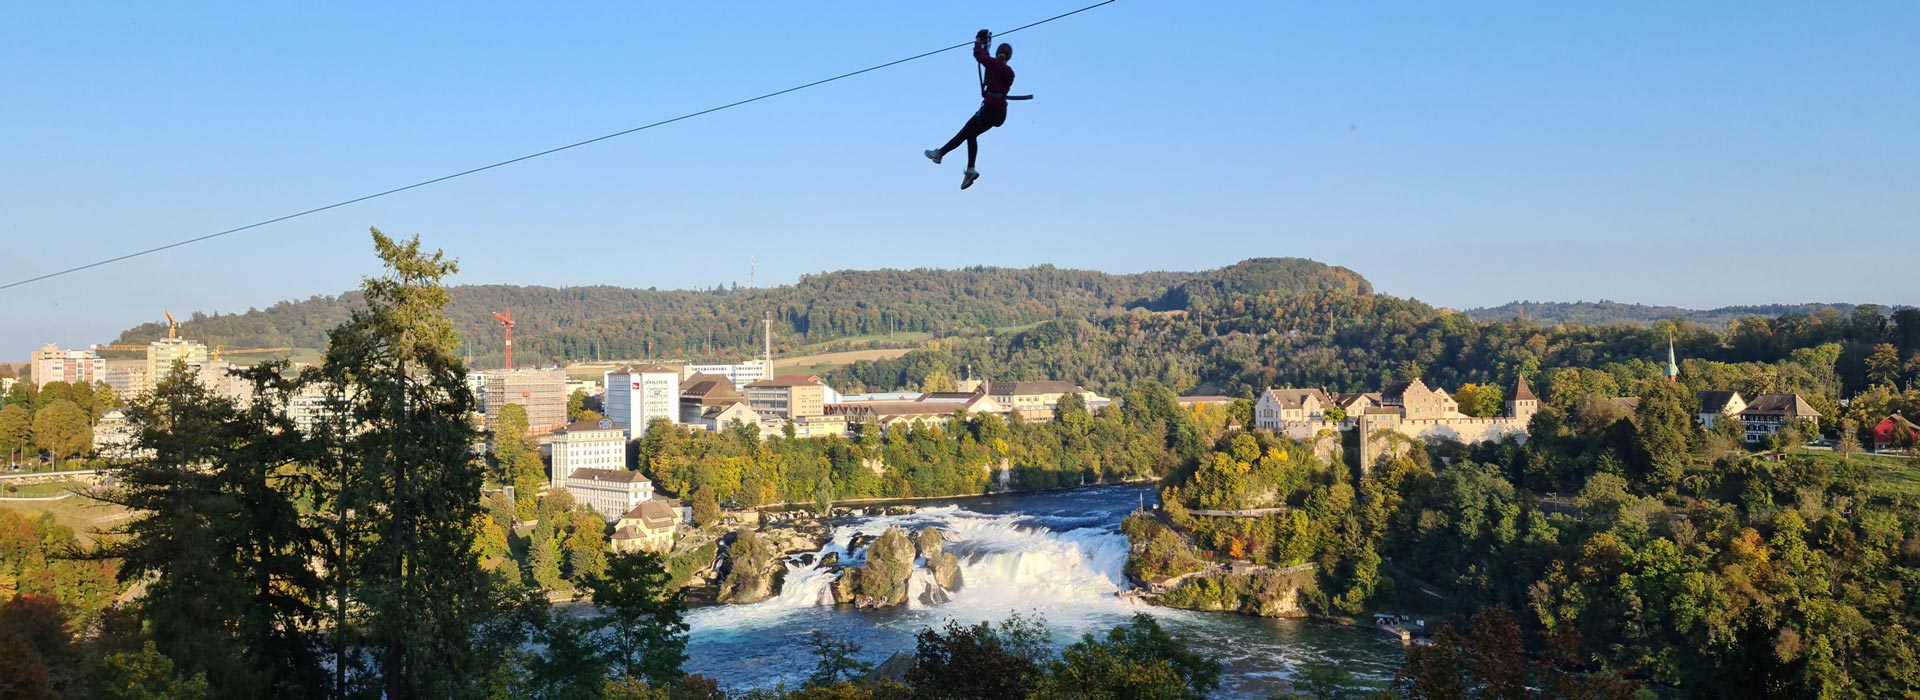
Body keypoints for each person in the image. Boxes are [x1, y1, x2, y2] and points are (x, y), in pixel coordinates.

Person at [925, 30, 1015, 190]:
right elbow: (990, 64)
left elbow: (979, 55)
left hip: (989, 109)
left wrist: (978, 41)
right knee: (971, 134)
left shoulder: (993, 64)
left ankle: (940, 154)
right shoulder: (1010, 73)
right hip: (1000, 114)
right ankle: (970, 169)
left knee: (965, 132)